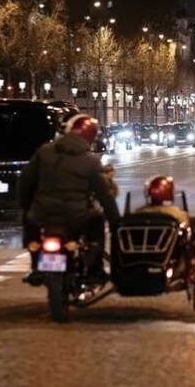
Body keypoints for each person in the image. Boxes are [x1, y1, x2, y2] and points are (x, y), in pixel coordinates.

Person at [18, 114, 119, 281]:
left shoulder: (44, 152)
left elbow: (25, 181)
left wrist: (27, 205)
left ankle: (36, 263)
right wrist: (115, 220)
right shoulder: (90, 161)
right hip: (76, 215)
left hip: (43, 213)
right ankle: (95, 269)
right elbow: (104, 195)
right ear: (91, 137)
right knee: (97, 222)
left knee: (30, 228)